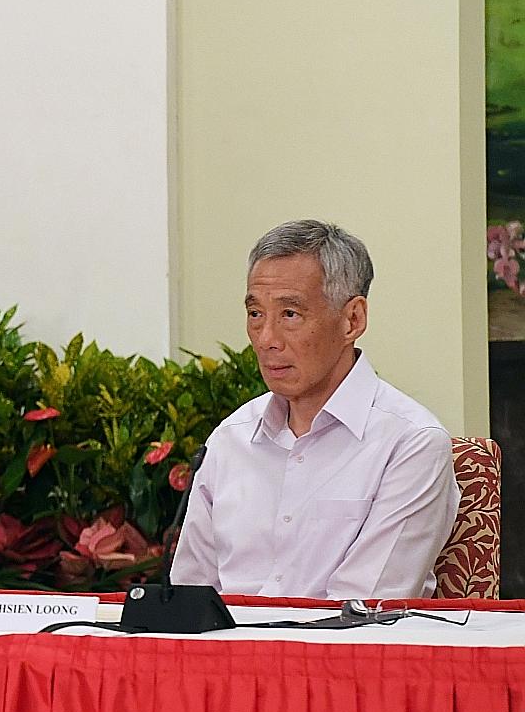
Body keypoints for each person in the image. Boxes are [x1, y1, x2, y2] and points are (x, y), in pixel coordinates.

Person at [170, 219, 458, 599]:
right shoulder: (229, 440)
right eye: (256, 315)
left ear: (352, 320)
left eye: (290, 315)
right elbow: (189, 598)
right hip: (225, 654)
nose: (266, 340)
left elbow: (363, 610)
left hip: (344, 653)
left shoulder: (410, 443)